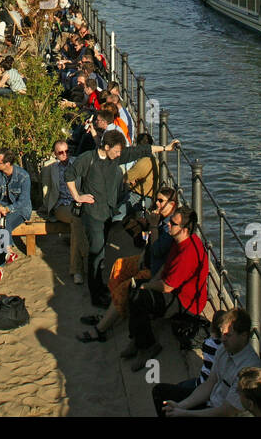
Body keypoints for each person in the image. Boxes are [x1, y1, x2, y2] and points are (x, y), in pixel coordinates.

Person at [66, 130, 180, 308]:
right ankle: (95, 294)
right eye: (117, 151)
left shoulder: (116, 157)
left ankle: (100, 287)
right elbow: (69, 175)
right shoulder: (88, 158)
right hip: (93, 213)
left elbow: (142, 150)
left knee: (101, 251)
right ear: (106, 147)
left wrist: (166, 147)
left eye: (120, 152)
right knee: (96, 252)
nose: (120, 155)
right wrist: (78, 196)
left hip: (107, 213)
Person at [123, 203, 208, 370]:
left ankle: (147, 347)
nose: (168, 224)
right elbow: (165, 268)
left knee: (141, 298)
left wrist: (146, 286)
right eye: (170, 221)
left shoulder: (189, 252)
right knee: (133, 289)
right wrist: (146, 284)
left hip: (185, 303)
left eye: (173, 223)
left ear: (184, 229)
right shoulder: (178, 241)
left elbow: (168, 287)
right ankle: (137, 339)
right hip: (174, 290)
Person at [163, 308, 261, 417]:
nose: (223, 339)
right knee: (163, 394)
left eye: (228, 335)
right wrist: (180, 406)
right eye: (222, 333)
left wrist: (185, 413)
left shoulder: (249, 369)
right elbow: (209, 384)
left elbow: (227, 411)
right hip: (211, 403)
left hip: (221, 412)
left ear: (243, 335)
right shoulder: (223, 349)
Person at [151, 310, 225, 417]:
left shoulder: (210, 344)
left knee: (163, 391)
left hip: (202, 386)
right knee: (179, 388)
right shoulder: (223, 349)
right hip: (206, 386)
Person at [0, 151, 31, 283]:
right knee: (1, 222)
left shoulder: (23, 176)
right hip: (2, 207)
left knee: (2, 222)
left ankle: (0, 264)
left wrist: (5, 209)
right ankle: (7, 252)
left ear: (7, 164)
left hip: (19, 209)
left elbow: (23, 201)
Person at [46, 141, 86, 283]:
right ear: (55, 154)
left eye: (67, 151)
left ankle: (78, 268)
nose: (65, 155)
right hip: (62, 205)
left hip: (79, 203)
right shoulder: (52, 169)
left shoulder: (77, 163)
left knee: (78, 223)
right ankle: (78, 268)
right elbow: (48, 190)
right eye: (61, 153)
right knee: (77, 219)